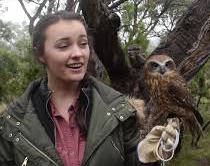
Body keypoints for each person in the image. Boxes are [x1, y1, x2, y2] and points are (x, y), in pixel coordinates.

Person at [0, 11, 178, 166]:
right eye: (64, 46)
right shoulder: (11, 124)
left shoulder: (120, 111)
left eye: (83, 44)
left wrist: (145, 158)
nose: (78, 53)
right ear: (40, 54)